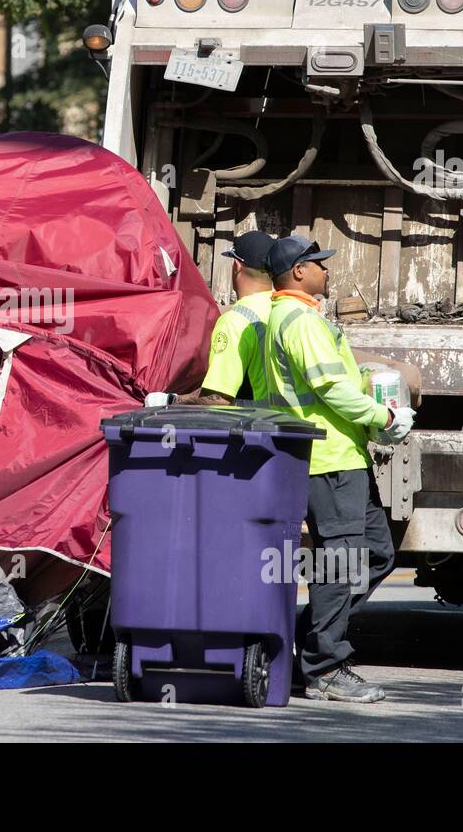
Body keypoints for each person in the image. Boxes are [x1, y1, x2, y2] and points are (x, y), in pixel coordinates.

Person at [263, 234, 415, 703]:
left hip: (341, 457)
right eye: (318, 264)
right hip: (327, 460)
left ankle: (300, 646)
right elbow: (329, 386)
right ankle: (325, 666)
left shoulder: (291, 317)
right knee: (342, 563)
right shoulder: (300, 319)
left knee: (375, 554)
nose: (327, 271)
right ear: (298, 273)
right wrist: (382, 416)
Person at [176, 231, 276, 406]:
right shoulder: (285, 308)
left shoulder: (235, 320)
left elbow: (219, 398)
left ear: (236, 266)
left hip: (256, 425)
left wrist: (172, 402)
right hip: (292, 424)